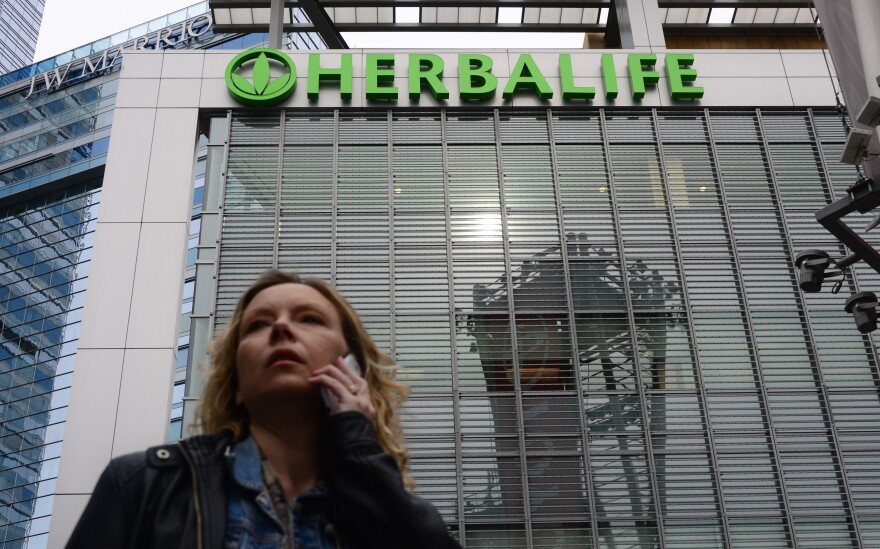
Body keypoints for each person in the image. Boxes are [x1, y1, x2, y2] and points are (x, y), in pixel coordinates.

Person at [67, 270, 461, 549]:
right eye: (258, 325)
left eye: (309, 319)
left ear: (351, 369)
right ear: (237, 384)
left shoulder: (394, 511)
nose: (281, 328)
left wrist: (358, 445)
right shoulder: (143, 484)